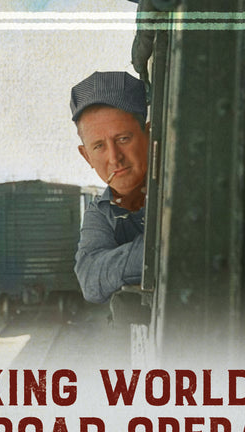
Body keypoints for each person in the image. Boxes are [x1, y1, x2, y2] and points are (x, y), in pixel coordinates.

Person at [70, 71, 149, 304]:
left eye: (123, 139)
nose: (114, 158)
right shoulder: (102, 212)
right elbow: (89, 277)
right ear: (86, 156)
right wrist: (160, 247)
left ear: (149, 133)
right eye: (99, 146)